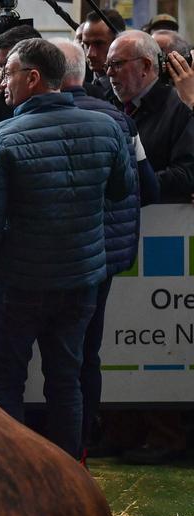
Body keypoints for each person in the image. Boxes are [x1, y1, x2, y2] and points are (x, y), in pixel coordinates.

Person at [0, 38, 134, 459]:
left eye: (7, 72)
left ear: (33, 78)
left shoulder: (2, 138)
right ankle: (69, 473)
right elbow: (121, 192)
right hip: (81, 279)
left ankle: (15, 471)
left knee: (6, 379)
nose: (2, 81)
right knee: (67, 378)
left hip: (21, 283)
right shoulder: (108, 128)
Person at [52, 37, 160, 458]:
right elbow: (146, 187)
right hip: (102, 261)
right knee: (85, 355)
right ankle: (78, 448)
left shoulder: (23, 121)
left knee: (42, 359)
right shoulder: (120, 121)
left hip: (45, 263)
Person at [107, 30, 194, 202]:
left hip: (164, 219)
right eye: (107, 65)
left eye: (117, 64)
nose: (109, 72)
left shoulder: (181, 106)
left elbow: (185, 173)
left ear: (146, 66)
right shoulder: (108, 104)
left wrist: (129, 184)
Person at [0, 24, 42, 126]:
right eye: (0, 67)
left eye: (7, 69)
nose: (3, 82)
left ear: (33, 77)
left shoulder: (67, 102)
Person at [81, 9, 127, 99]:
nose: (90, 54)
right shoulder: (76, 80)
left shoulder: (131, 86)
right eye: (86, 45)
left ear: (118, 42)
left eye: (98, 44)